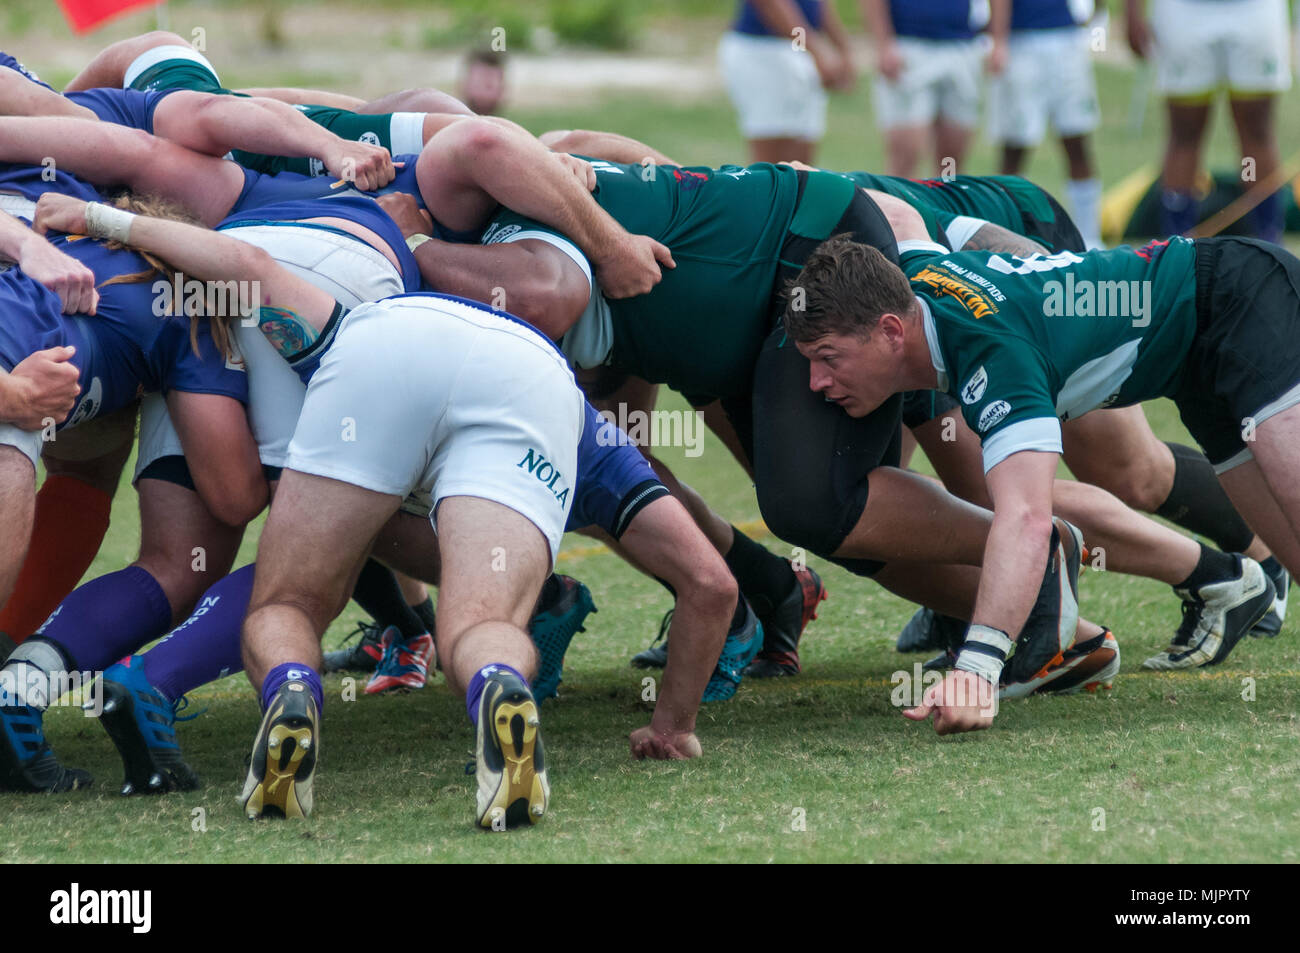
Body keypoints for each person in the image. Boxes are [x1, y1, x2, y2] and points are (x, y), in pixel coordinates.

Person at [780, 230, 1300, 730]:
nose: (816, 383)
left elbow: (1029, 520)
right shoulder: (910, 278)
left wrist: (976, 672)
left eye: (829, 358)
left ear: (892, 331)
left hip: (1241, 294)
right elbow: (899, 218)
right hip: (1197, 361)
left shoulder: (991, 353)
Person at [1125, 0, 1293, 241]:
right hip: (1183, 10)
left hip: (1255, 8)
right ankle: (1177, 248)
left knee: (1257, 130)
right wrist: (1132, 10)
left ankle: (1269, 242)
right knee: (1185, 132)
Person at [987, 0, 1104, 248]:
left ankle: (1089, 238)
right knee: (1015, 148)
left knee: (1077, 142)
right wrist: (999, 41)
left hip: (1066, 37)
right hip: (1021, 40)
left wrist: (1096, 14)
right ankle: (1005, 236)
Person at [718, 1, 855, 165]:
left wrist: (842, 47)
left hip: (800, 48)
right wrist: (816, 51)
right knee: (771, 162)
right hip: (763, 49)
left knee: (802, 159)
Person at [862, 0, 988, 177]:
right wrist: (883, 44)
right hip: (909, 46)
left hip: (961, 46)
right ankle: (899, 201)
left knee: (952, 155)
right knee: (907, 151)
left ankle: (945, 199)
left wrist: (997, 37)